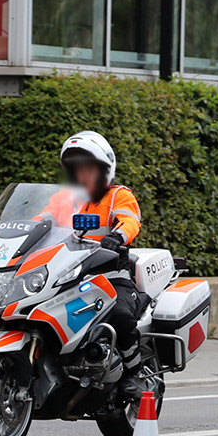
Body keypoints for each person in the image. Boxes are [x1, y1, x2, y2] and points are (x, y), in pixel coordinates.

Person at [58, 131, 144, 401]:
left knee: (120, 316)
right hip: (69, 275)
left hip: (110, 275)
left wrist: (117, 236)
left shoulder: (119, 195)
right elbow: (41, 219)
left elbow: (131, 221)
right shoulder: (65, 199)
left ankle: (133, 375)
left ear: (105, 169)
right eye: (77, 170)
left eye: (89, 169)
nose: (82, 176)